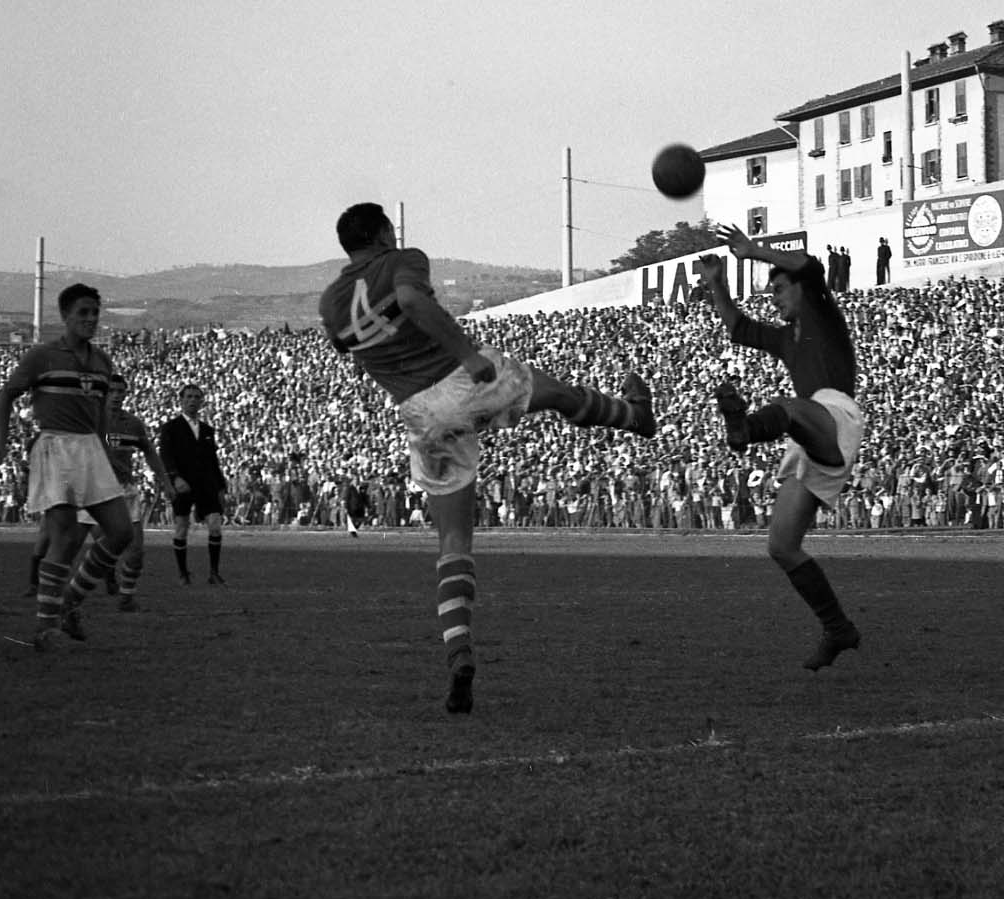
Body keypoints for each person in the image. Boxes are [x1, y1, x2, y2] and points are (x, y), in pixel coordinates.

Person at [319, 201, 657, 714]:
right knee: (557, 393)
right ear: (384, 233)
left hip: (420, 414)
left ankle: (458, 652)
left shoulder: (330, 302)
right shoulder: (402, 259)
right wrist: (466, 354)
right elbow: (409, 298)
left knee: (453, 543)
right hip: (456, 378)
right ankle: (635, 417)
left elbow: (349, 343)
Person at [696, 224, 865, 671]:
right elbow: (737, 327)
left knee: (788, 407)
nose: (773, 298)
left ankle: (745, 429)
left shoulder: (821, 311)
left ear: (800, 289)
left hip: (837, 415)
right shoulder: (787, 338)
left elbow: (809, 265)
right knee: (782, 545)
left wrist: (754, 251)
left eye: (779, 289)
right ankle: (838, 628)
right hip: (809, 430)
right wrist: (717, 284)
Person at [0, 283, 134, 649]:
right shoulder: (43, 356)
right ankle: (46, 626)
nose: (91, 319)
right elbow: (5, 396)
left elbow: (99, 413)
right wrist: (0, 442)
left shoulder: (103, 362)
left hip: (90, 449)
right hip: (55, 447)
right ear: (65, 315)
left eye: (95, 312)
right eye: (83, 312)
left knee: (120, 532)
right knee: (65, 537)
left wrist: (104, 451)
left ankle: (69, 602)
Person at [99, 373, 169, 610]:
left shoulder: (133, 424)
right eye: (112, 391)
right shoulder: (90, 421)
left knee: (136, 550)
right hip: (95, 490)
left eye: (120, 392)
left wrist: (166, 482)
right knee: (105, 545)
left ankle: (126, 598)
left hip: (125, 490)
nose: (116, 396)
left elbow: (149, 451)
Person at [158, 384, 230, 584]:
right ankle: (183, 573)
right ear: (181, 400)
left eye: (197, 397)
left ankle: (214, 573)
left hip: (206, 484)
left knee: (215, 525)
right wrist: (175, 478)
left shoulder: (207, 430)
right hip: (183, 484)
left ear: (201, 401)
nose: (192, 400)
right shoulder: (171, 428)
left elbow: (213, 460)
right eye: (189, 396)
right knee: (182, 526)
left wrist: (220, 485)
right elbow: (166, 456)